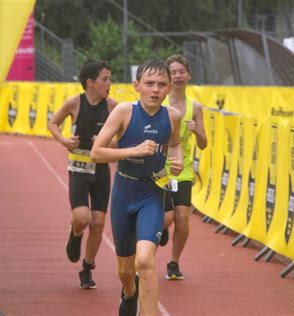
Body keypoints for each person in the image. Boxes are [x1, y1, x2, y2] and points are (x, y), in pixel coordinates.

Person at [91, 58, 183, 316]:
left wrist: (177, 161)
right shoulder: (123, 112)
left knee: (144, 260)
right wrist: (135, 150)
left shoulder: (172, 116)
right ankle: (129, 293)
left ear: (168, 89)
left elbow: (175, 144)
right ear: (136, 86)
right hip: (123, 194)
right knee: (125, 270)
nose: (155, 90)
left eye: (162, 85)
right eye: (149, 83)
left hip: (152, 195)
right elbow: (96, 154)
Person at [48, 59, 118, 289]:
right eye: (105, 79)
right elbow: (53, 123)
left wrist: (110, 142)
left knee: (98, 223)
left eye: (110, 78)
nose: (110, 83)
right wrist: (64, 140)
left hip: (100, 170)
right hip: (78, 168)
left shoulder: (113, 107)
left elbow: (125, 134)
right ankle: (75, 233)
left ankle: (87, 268)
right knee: (82, 218)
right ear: (90, 83)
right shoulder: (74, 103)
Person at [160, 54, 207, 281]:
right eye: (173, 72)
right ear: (167, 77)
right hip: (159, 168)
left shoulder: (195, 107)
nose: (178, 76)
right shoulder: (159, 101)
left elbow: (204, 144)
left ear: (188, 75)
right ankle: (163, 228)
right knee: (166, 219)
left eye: (181, 72)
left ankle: (174, 262)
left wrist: (196, 129)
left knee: (182, 217)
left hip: (183, 169)